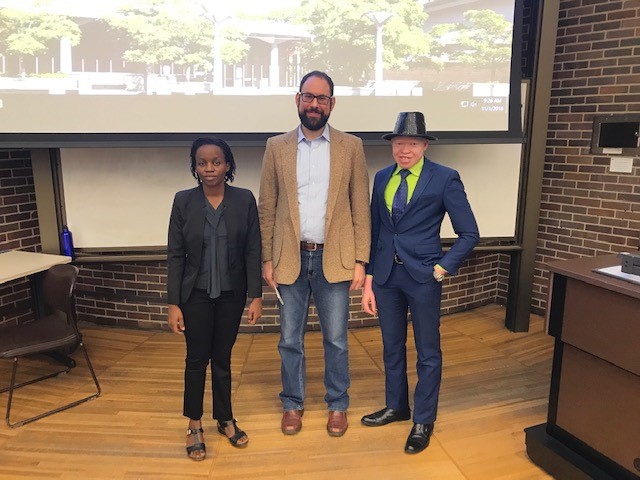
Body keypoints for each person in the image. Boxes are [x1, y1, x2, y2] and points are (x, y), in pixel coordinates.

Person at [259, 70, 371, 437]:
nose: (314, 104)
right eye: (309, 97)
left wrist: (360, 261)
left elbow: (360, 207)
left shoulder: (350, 147)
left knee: (336, 339)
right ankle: (292, 403)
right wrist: (266, 258)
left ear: (332, 104)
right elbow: (268, 206)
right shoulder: (276, 147)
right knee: (289, 339)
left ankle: (337, 405)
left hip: (334, 259)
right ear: (297, 99)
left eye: (322, 98)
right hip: (290, 258)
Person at [361, 112, 479, 454]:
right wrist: (369, 278)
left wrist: (443, 267)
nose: (405, 149)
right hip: (385, 277)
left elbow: (469, 233)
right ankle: (397, 406)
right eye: (399, 143)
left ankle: (423, 419)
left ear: (424, 145)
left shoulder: (444, 178)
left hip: (425, 277)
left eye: (412, 143)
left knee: (428, 352)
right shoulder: (382, 177)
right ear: (392, 146)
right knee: (391, 346)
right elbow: (377, 230)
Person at [167, 137, 262, 461]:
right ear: (195, 167)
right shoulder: (183, 201)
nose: (209, 168)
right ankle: (194, 424)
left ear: (228, 165)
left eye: (216, 162)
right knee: (196, 359)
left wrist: (255, 296)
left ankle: (225, 418)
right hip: (194, 296)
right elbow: (175, 255)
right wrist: (173, 304)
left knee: (222, 359)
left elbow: (253, 250)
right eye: (202, 162)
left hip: (231, 296)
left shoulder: (244, 200)